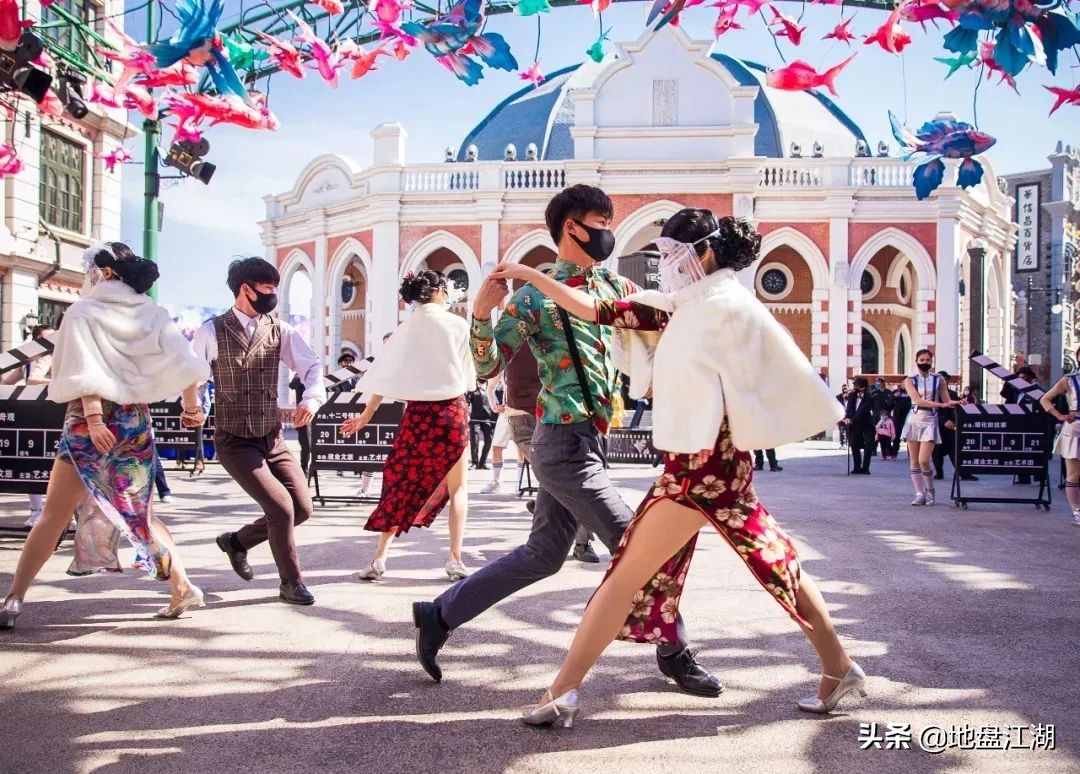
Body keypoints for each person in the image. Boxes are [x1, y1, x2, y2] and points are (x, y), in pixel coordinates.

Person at [491, 210, 862, 728]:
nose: (664, 265)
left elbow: (760, 381)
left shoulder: (729, 308)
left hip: (705, 470)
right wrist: (532, 275)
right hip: (698, 469)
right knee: (768, 563)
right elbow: (599, 309)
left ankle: (563, 692)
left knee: (633, 577)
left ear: (703, 253)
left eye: (670, 254)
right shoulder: (682, 308)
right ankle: (839, 666)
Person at [412, 185, 721, 696]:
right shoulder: (532, 295)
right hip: (560, 445)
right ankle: (675, 653)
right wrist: (483, 316)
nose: (609, 231)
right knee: (641, 546)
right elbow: (487, 366)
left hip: (590, 439)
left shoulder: (616, 286)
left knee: (543, 554)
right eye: (601, 221)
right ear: (572, 227)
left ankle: (439, 615)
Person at [1, 242, 211, 629]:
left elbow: (84, 369)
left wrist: (95, 419)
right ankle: (182, 586)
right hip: (134, 421)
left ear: (106, 272)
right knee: (141, 509)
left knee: (53, 514)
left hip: (88, 421)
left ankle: (14, 597)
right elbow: (187, 363)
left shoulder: (83, 311)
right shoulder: (153, 313)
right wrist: (191, 406)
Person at [194, 257, 326, 606]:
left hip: (272, 435)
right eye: (267, 290)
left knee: (301, 508)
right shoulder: (211, 331)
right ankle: (291, 582)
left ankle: (236, 542)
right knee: (281, 508)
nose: (272, 297)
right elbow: (193, 377)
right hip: (234, 439)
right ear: (245, 289)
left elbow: (311, 366)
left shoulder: (280, 330)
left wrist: (311, 401)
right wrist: (193, 406)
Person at [343, 270, 474, 582]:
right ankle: (455, 558)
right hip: (451, 412)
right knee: (458, 488)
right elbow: (469, 376)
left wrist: (367, 414)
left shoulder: (406, 327)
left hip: (417, 416)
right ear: (440, 290)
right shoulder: (457, 324)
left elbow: (385, 372)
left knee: (398, 481)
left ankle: (379, 558)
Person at [901, 349, 960, 506]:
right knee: (914, 460)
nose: (925, 362)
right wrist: (941, 405)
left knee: (924, 460)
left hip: (930, 420)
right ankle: (919, 493)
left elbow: (947, 398)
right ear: (916, 360)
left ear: (932, 361)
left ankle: (930, 490)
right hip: (914, 418)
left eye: (928, 360)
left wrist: (959, 402)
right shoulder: (910, 380)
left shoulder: (938, 379)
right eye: (922, 359)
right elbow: (918, 400)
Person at [1040, 356, 1080, 526]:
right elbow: (1044, 399)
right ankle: (1077, 512)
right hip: (1075, 427)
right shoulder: (1069, 380)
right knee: (1073, 475)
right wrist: (1060, 416)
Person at [932, 371, 977, 483]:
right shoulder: (932, 394)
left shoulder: (952, 394)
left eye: (945, 379)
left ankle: (964, 473)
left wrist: (954, 421)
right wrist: (943, 421)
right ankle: (939, 473)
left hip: (950, 428)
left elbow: (956, 410)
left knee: (955, 451)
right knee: (936, 452)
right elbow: (933, 411)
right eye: (940, 379)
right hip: (935, 427)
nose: (943, 381)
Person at [1002, 365, 1043, 485]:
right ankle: (1023, 477)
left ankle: (1040, 477)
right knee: (1019, 451)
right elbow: (1006, 396)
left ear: (1030, 378)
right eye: (1020, 378)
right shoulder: (1015, 391)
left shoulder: (1037, 390)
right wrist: (1009, 382)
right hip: (1017, 426)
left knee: (1035, 452)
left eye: (1025, 378)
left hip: (1034, 426)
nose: (1023, 380)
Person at [482, 376, 521, 494]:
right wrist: (494, 407)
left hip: (523, 410)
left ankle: (519, 483)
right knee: (496, 447)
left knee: (521, 448)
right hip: (506, 410)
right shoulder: (503, 363)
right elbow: (490, 387)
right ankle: (495, 482)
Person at [843, 377, 877, 474]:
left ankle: (865, 468)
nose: (854, 387)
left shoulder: (869, 397)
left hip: (866, 424)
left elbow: (862, 411)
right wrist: (847, 417)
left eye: (856, 385)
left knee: (868, 446)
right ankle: (857, 467)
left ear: (863, 387)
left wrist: (852, 419)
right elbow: (849, 408)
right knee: (854, 445)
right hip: (854, 425)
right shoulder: (852, 395)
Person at [467, 380, 495, 469]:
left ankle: (482, 463)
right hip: (475, 418)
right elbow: (467, 402)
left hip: (487, 418)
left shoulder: (490, 387)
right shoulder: (472, 387)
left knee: (489, 440)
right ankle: (474, 462)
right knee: (474, 439)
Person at [289, 371, 313, 475]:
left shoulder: (315, 375)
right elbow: (292, 385)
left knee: (315, 444)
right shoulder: (299, 375)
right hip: (303, 415)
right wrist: (303, 375)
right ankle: (304, 468)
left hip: (316, 414)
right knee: (306, 444)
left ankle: (312, 467)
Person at [890, 385, 912, 458]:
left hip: (909, 416)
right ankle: (894, 452)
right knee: (896, 434)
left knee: (910, 435)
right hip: (898, 417)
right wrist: (894, 397)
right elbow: (889, 403)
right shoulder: (896, 392)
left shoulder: (912, 391)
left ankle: (911, 453)